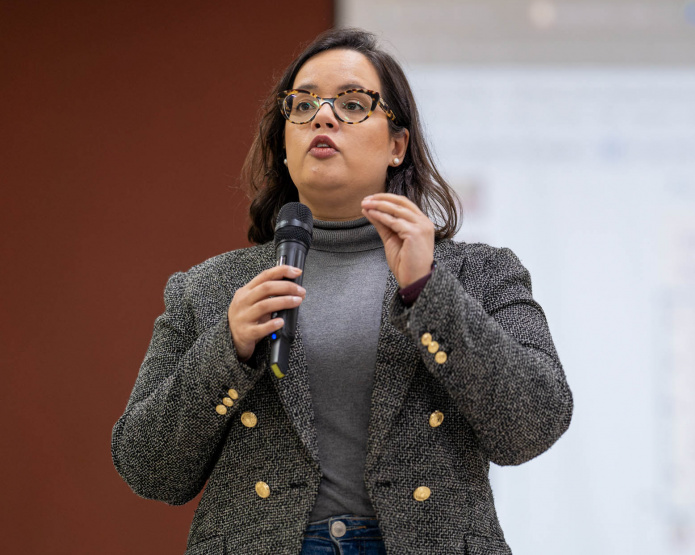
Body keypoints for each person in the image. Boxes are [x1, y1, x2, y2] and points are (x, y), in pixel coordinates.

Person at [111, 27, 573, 555]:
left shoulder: (480, 273)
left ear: (397, 145)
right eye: (302, 105)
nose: (323, 117)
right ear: (284, 145)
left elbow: (534, 424)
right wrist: (226, 351)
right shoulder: (208, 290)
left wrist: (432, 294)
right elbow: (146, 468)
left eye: (353, 104)